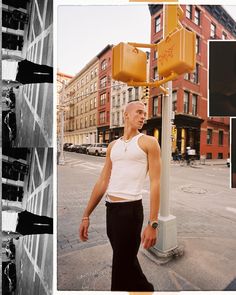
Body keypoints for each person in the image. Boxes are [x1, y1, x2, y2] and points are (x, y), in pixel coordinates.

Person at [79, 101, 161, 291]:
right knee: (128, 264)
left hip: (130, 212)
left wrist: (153, 223)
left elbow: (156, 183)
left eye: (145, 114)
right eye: (139, 112)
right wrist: (86, 215)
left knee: (120, 271)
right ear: (126, 115)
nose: (143, 117)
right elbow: (102, 181)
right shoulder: (112, 146)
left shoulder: (149, 142)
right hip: (112, 211)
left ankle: (143, 289)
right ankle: (146, 290)